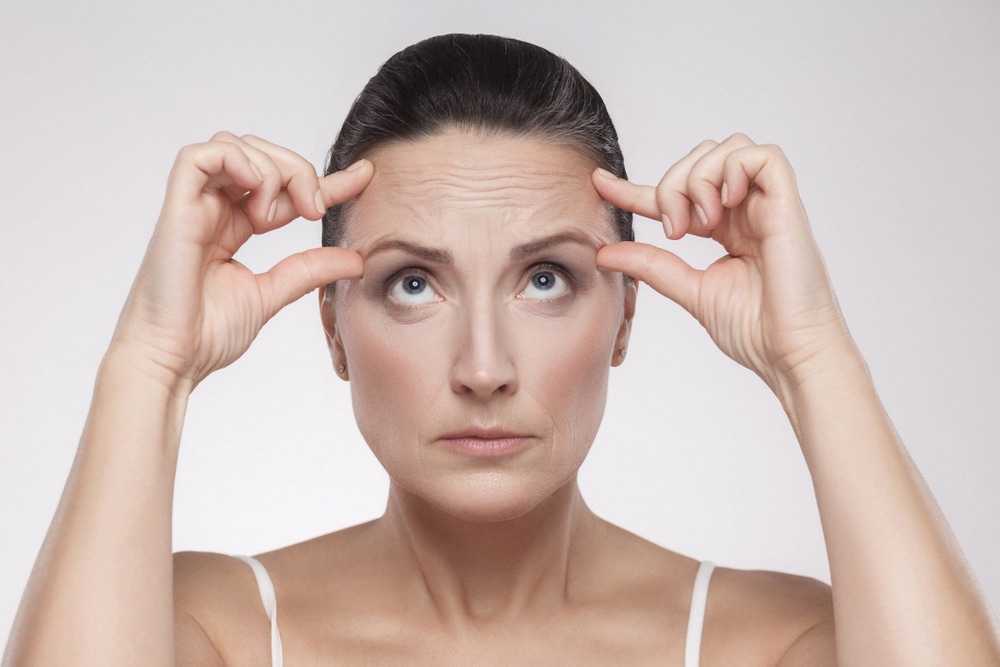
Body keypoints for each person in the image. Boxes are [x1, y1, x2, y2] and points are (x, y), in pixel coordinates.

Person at [4, 33, 998, 667]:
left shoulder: (766, 643)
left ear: (625, 317)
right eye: (412, 283)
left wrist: (813, 356)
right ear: (332, 329)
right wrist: (150, 363)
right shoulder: (210, 629)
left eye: (545, 278)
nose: (485, 367)